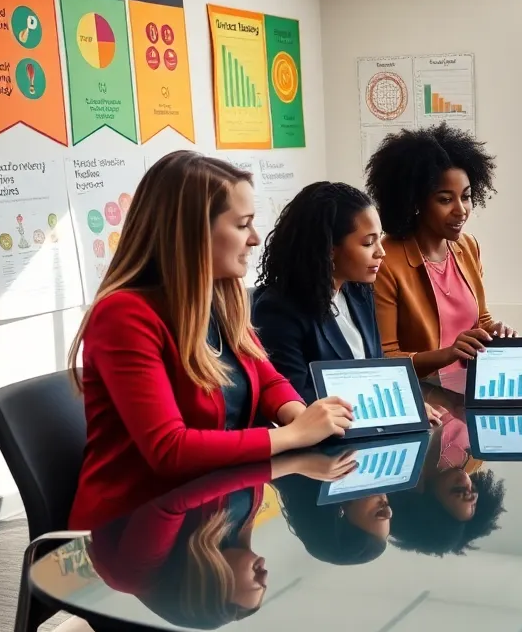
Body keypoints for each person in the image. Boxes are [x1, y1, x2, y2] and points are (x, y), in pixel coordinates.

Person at [66, 150, 355, 532]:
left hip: (211, 510)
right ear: (192, 233)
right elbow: (170, 450)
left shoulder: (221, 298)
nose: (254, 239)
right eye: (242, 225)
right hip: (135, 530)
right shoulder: (124, 316)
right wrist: (290, 435)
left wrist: (297, 414)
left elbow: (265, 378)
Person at [87, 459, 408, 632]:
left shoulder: (221, 542)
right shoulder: (139, 573)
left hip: (189, 592)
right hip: (120, 612)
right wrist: (285, 460)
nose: (264, 573)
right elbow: (171, 501)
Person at [366, 124, 516, 379]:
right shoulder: (386, 261)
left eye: (466, 197)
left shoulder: (467, 247)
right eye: (445, 200)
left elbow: (479, 319)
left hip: (473, 386)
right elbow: (385, 357)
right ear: (415, 202)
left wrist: (495, 331)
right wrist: (448, 353)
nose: (461, 210)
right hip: (426, 398)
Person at [253, 181, 386, 402]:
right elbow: (294, 396)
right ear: (330, 249)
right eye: (368, 243)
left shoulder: (359, 291)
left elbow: (378, 368)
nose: (381, 252)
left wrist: (409, 406)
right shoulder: (278, 309)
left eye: (379, 238)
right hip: (324, 431)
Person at [389, 386, 507, 556]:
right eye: (472, 490)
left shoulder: (397, 458)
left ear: (425, 496)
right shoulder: (472, 458)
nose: (466, 481)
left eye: (458, 491)